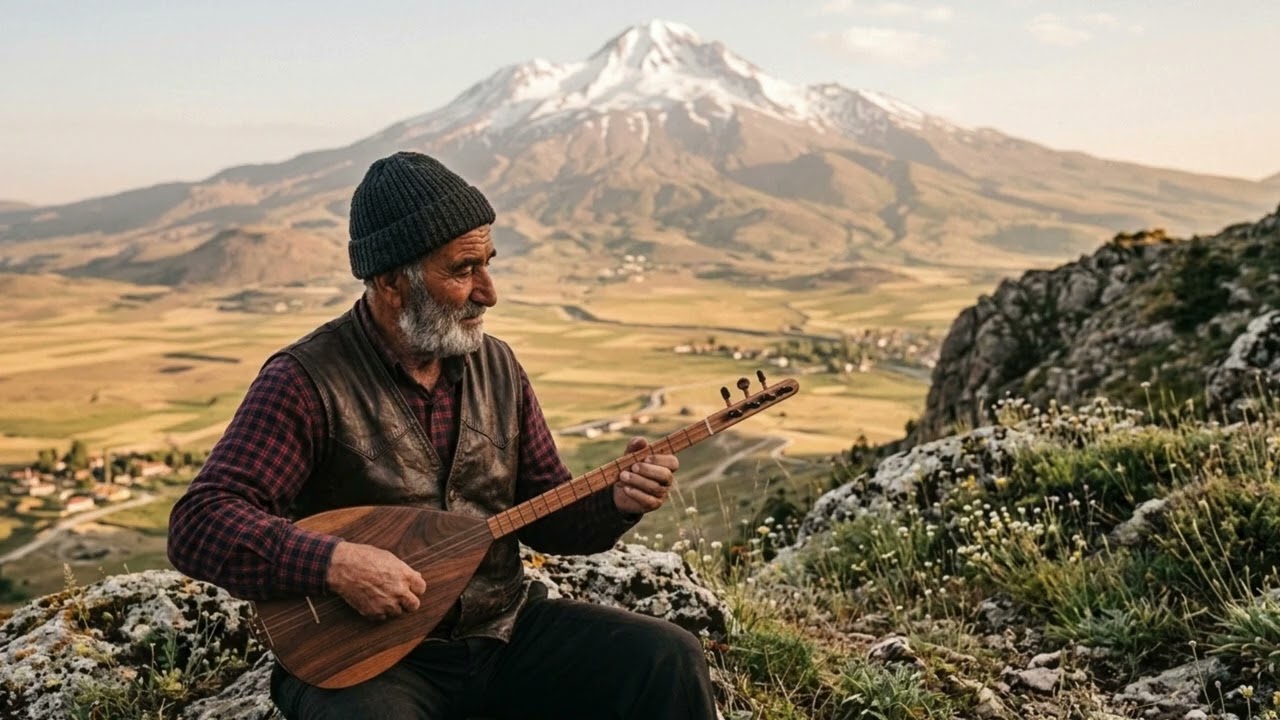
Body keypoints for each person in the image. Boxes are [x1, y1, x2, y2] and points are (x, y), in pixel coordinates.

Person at [167, 151, 718, 720]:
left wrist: (615, 502)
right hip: (366, 661)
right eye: (462, 269)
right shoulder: (307, 381)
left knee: (666, 657)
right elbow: (199, 522)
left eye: (489, 263)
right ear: (390, 280)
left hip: (501, 630)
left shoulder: (497, 367)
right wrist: (335, 563)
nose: (489, 291)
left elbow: (547, 515)